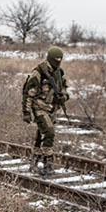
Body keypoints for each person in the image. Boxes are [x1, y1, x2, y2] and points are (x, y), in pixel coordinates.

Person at [22, 46, 70, 176]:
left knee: (41, 134)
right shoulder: (39, 72)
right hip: (39, 107)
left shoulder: (59, 73)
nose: (58, 61)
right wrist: (26, 112)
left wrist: (63, 97)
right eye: (56, 58)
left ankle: (35, 161)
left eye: (60, 58)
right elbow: (28, 93)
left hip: (52, 108)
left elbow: (64, 89)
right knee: (49, 133)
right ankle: (47, 162)